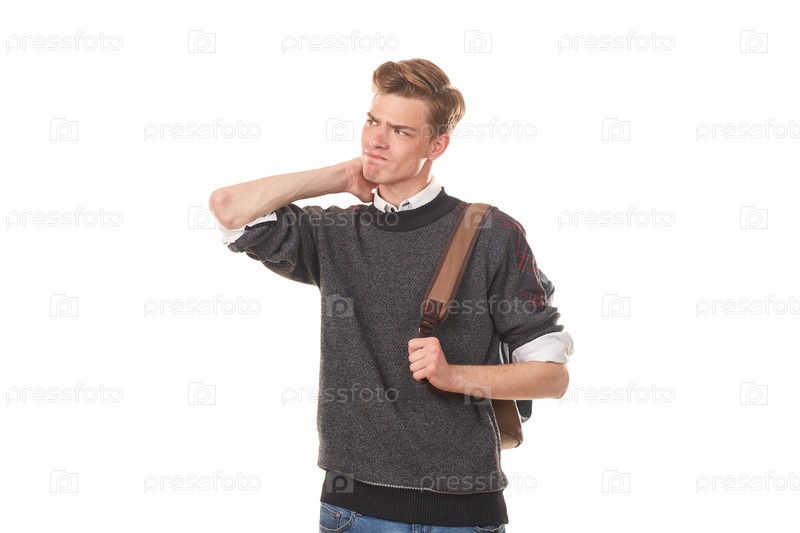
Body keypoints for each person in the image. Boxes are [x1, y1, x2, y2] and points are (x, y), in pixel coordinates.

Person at [209, 58, 573, 532]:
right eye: (372, 121)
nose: (376, 140)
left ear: (436, 146)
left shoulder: (490, 234)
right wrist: (341, 176)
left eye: (399, 131)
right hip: (352, 509)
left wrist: (453, 376)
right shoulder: (334, 234)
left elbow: (551, 378)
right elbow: (229, 208)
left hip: (462, 514)